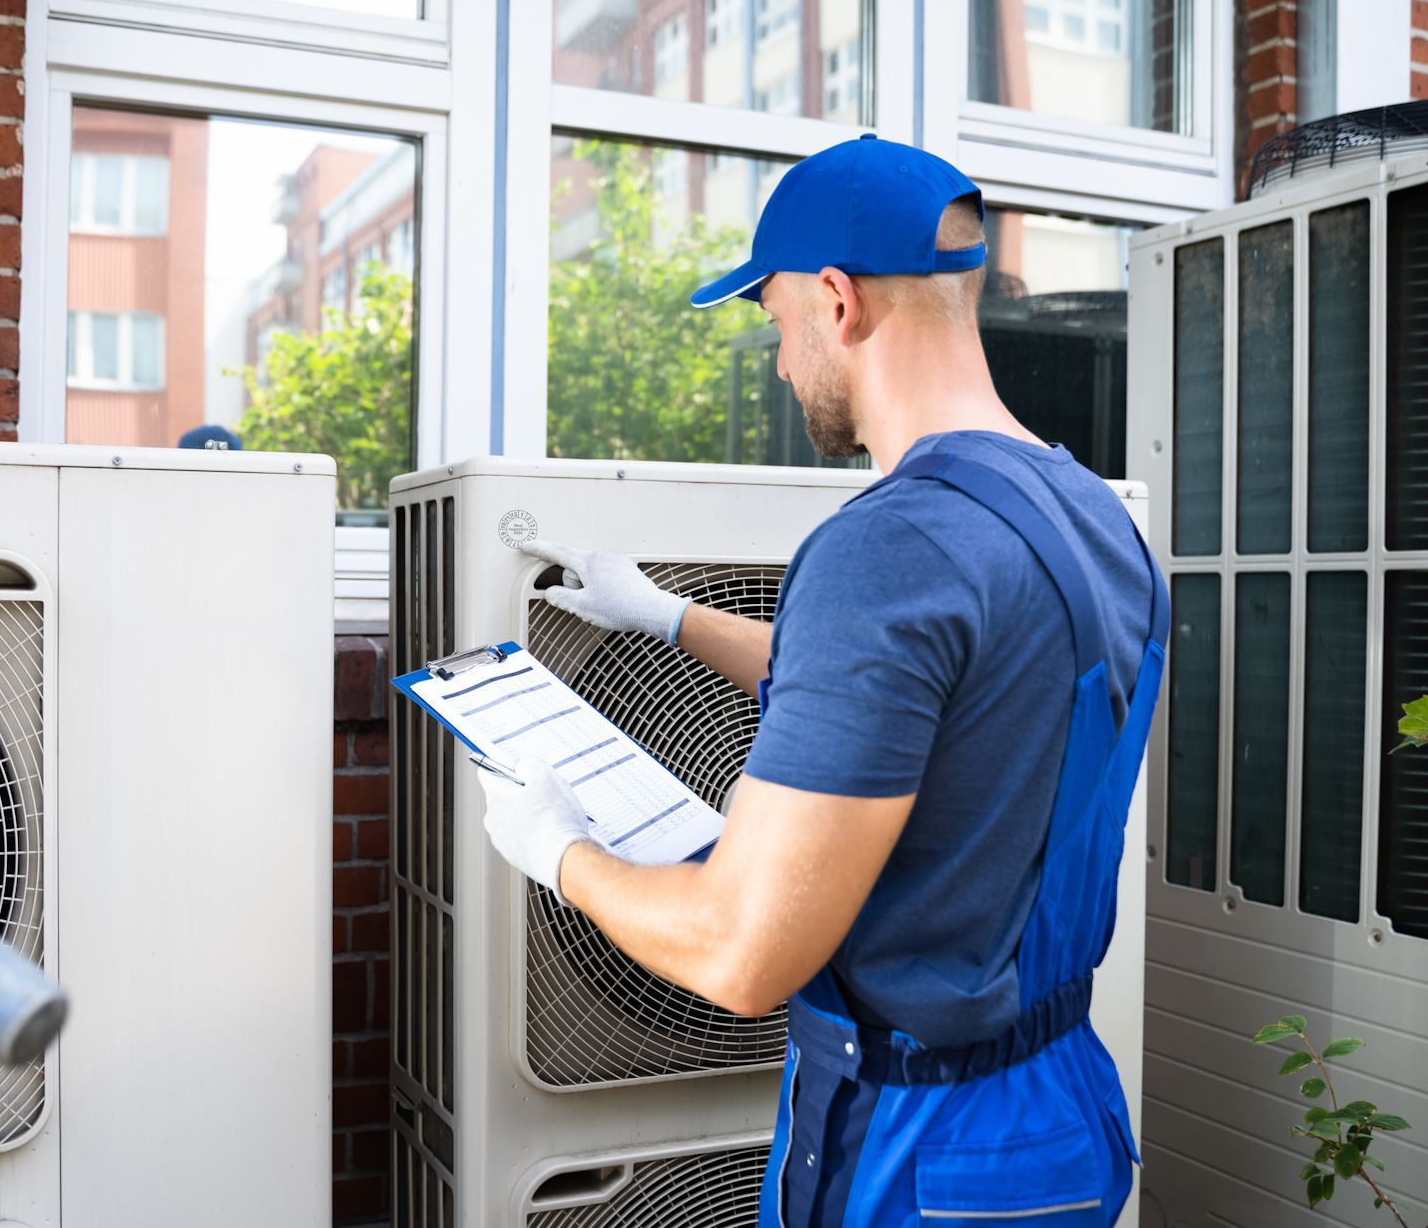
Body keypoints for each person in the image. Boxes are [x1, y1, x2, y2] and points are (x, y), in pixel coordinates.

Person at [475, 135, 1165, 1226]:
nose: (786, 363)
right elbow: (935, 692)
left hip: (916, 1149)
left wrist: (561, 851)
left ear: (837, 301)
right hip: (1058, 1114)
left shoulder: (886, 549)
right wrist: (667, 614)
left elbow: (742, 952)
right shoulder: (1092, 516)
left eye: (780, 324)